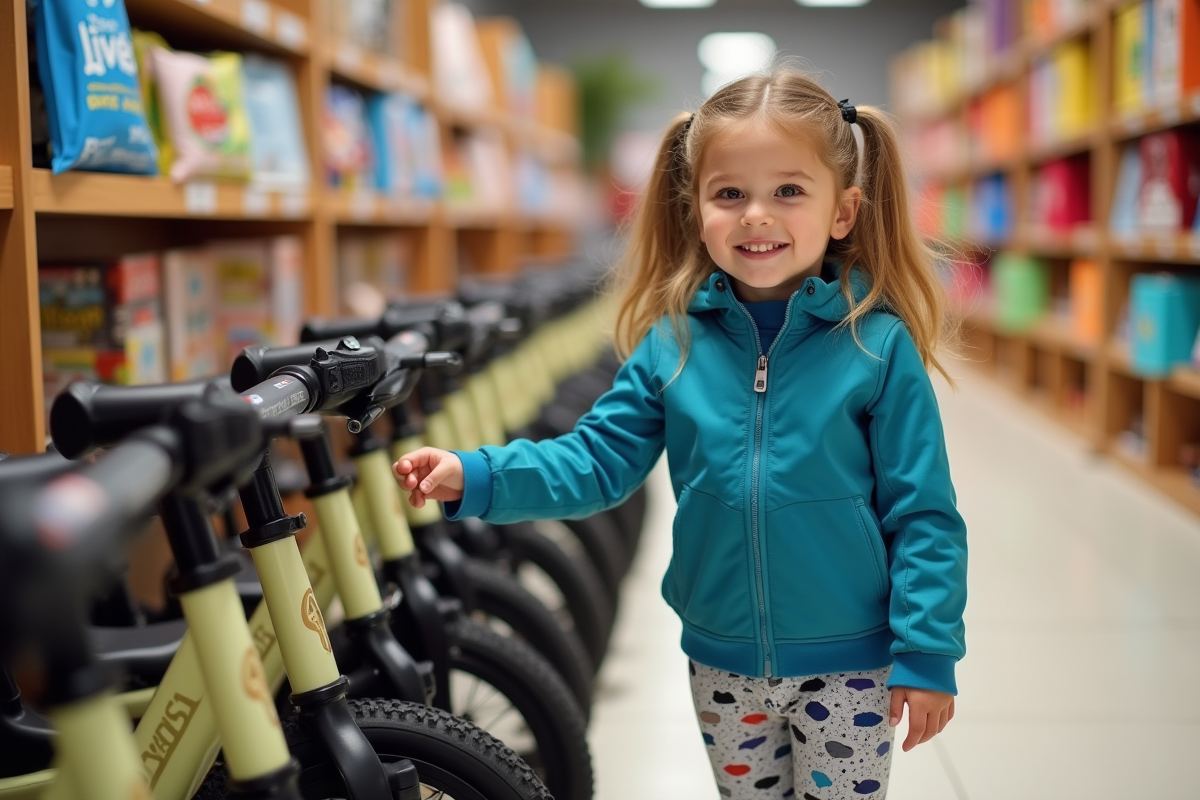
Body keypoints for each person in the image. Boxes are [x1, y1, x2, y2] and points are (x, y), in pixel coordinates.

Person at [394, 69, 968, 800]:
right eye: (729, 194)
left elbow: (924, 515)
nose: (756, 214)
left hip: (851, 662)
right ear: (696, 210)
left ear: (843, 212)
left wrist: (927, 652)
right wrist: (476, 476)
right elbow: (596, 461)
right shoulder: (673, 345)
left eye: (789, 191)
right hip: (721, 661)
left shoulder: (876, 349)